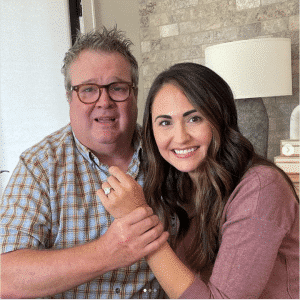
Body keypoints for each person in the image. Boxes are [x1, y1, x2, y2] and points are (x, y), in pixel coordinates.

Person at [98, 63, 300, 299]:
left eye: (194, 119)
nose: (181, 137)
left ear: (220, 119)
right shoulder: (181, 185)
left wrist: (139, 220)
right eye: (165, 122)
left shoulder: (261, 188)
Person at [0, 27, 169, 299]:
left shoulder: (168, 153)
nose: (104, 102)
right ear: (69, 97)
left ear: (135, 94)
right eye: (88, 90)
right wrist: (107, 253)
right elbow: (4, 278)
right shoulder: (40, 166)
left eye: (117, 88)